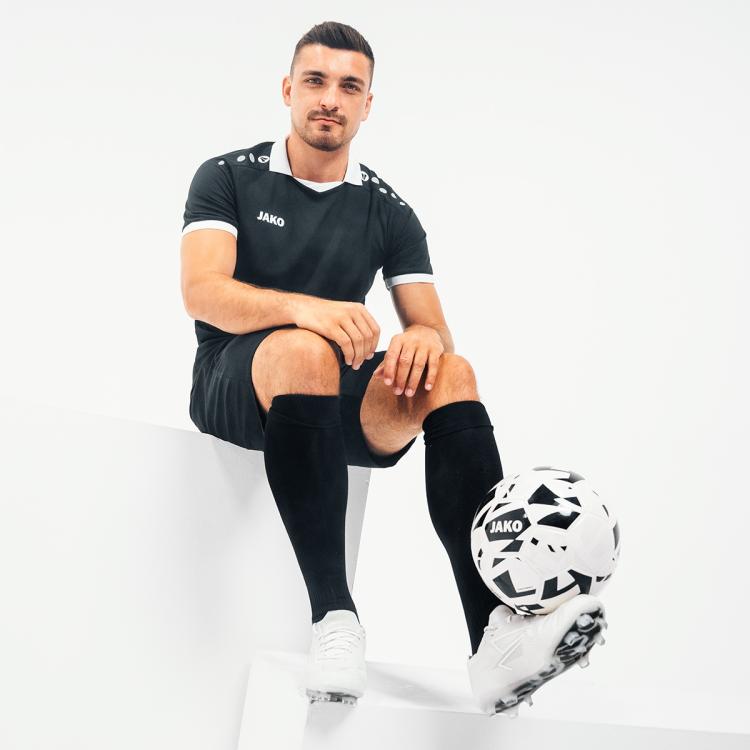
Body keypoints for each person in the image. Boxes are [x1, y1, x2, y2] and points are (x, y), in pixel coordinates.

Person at [179, 20, 606, 716]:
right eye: (316, 81)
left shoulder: (388, 210)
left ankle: (495, 638)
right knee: (304, 348)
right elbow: (202, 291)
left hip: (328, 396)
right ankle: (334, 618)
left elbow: (432, 324)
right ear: (288, 90)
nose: (330, 98)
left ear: (368, 104)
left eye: (349, 86)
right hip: (233, 379)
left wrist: (424, 342)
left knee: (453, 373)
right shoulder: (228, 175)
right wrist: (307, 311)